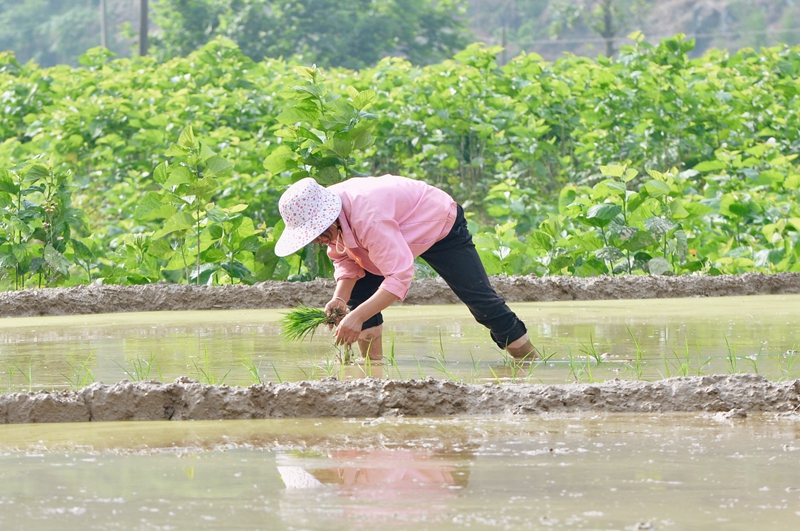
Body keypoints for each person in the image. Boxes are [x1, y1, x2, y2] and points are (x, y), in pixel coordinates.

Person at [274, 175, 537, 361]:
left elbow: (399, 277)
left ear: (329, 218)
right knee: (359, 297)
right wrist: (340, 299)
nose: (317, 240)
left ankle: (530, 362)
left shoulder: (368, 218)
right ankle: (372, 372)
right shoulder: (331, 217)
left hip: (436, 223)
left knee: (482, 302)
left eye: (318, 232)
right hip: (386, 234)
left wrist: (356, 317)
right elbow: (344, 259)